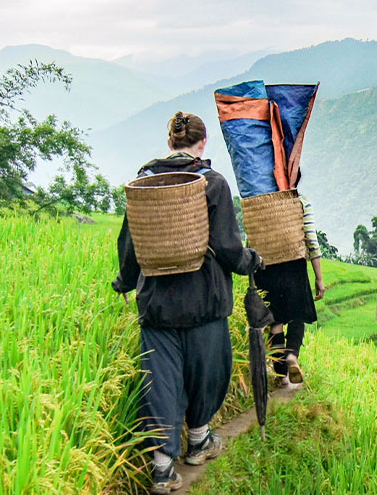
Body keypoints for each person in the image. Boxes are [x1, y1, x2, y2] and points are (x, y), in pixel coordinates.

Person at [112, 112, 263, 494]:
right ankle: (198, 441)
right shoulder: (211, 183)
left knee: (160, 382)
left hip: (157, 304)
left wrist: (124, 282)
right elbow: (229, 247)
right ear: (203, 143)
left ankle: (162, 468)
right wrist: (251, 262)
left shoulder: (144, 184)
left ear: (169, 143)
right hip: (204, 301)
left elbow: (131, 245)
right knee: (207, 374)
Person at [255, 186, 326, 387]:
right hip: (294, 265)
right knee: (297, 315)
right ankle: (292, 356)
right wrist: (319, 278)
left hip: (266, 266)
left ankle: (280, 376)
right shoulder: (300, 200)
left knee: (275, 321)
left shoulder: (259, 201)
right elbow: (311, 240)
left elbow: (251, 239)